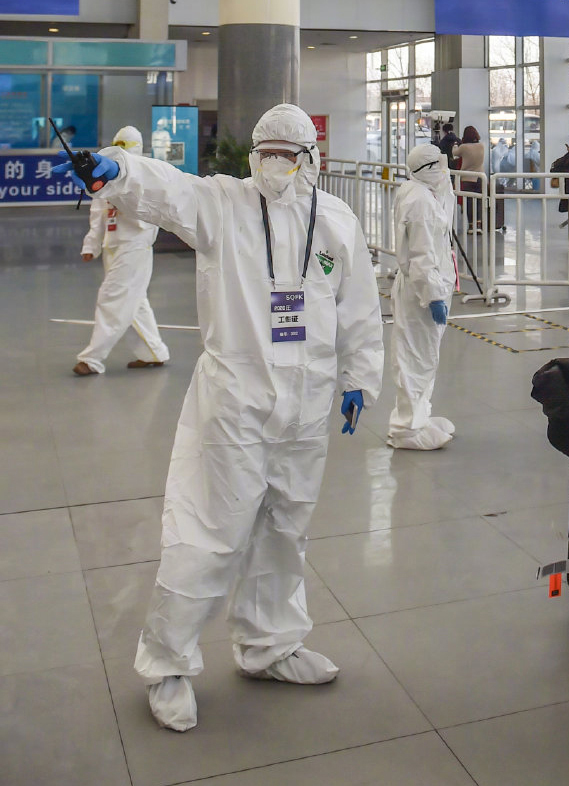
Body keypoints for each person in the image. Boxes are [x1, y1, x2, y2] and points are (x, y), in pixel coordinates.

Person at [57, 103, 384, 734]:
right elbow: (166, 189)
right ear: (253, 155)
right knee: (209, 532)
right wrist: (117, 168)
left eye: (289, 153)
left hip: (308, 403)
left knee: (286, 530)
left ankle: (270, 644)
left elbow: (360, 307)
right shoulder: (224, 205)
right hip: (235, 400)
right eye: (267, 152)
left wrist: (359, 378)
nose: (276, 164)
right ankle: (166, 663)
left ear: (311, 157)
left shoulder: (335, 219)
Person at [74, 126, 170, 377]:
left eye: (124, 145)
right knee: (134, 301)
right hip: (113, 244)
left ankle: (92, 359)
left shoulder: (146, 174)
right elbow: (98, 211)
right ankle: (154, 352)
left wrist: (119, 186)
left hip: (135, 244)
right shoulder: (107, 173)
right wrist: (91, 244)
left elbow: (146, 210)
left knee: (112, 298)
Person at [388, 143, 457, 450]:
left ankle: (419, 417)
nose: (444, 171)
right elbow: (421, 255)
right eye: (438, 166)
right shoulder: (420, 203)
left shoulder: (421, 192)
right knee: (415, 357)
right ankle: (406, 428)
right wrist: (433, 295)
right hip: (421, 292)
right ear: (427, 169)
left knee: (425, 356)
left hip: (426, 286)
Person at [453, 125, 485, 231]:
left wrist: (455, 145)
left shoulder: (464, 147)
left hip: (467, 178)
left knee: (469, 202)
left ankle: (471, 225)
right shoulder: (481, 146)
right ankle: (478, 225)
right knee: (479, 201)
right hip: (480, 177)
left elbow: (455, 153)